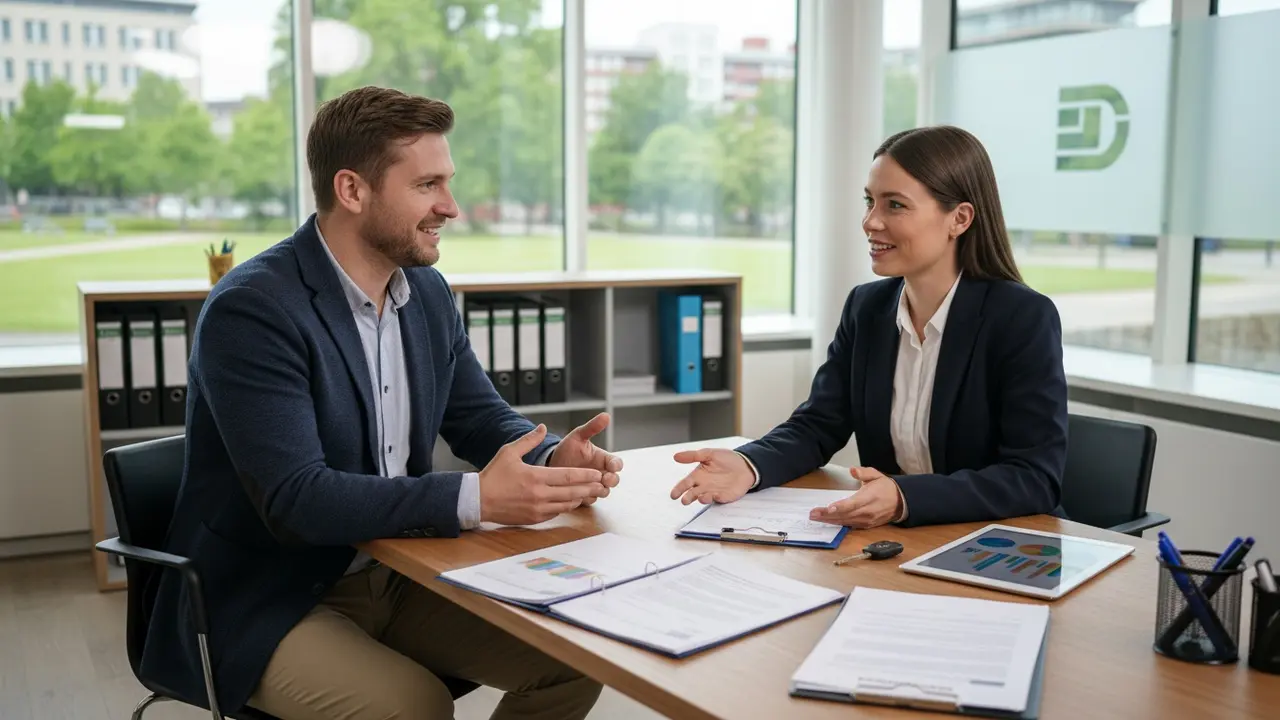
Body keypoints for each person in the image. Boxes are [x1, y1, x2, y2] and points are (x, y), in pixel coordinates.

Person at [140, 86, 618, 719]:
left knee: (574, 658)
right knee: (412, 706)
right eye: (427, 186)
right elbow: (297, 500)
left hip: (400, 570)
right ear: (352, 190)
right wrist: (476, 498)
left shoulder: (425, 291)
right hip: (267, 594)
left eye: (448, 183)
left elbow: (478, 418)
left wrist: (554, 459)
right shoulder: (252, 311)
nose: (451, 207)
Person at [669, 125, 1068, 529]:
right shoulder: (868, 307)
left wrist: (904, 497)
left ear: (959, 219)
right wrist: (748, 464)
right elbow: (819, 424)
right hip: (900, 545)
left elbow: (1033, 478)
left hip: (996, 542)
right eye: (869, 202)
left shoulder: (1021, 318)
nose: (870, 222)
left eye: (895, 205)